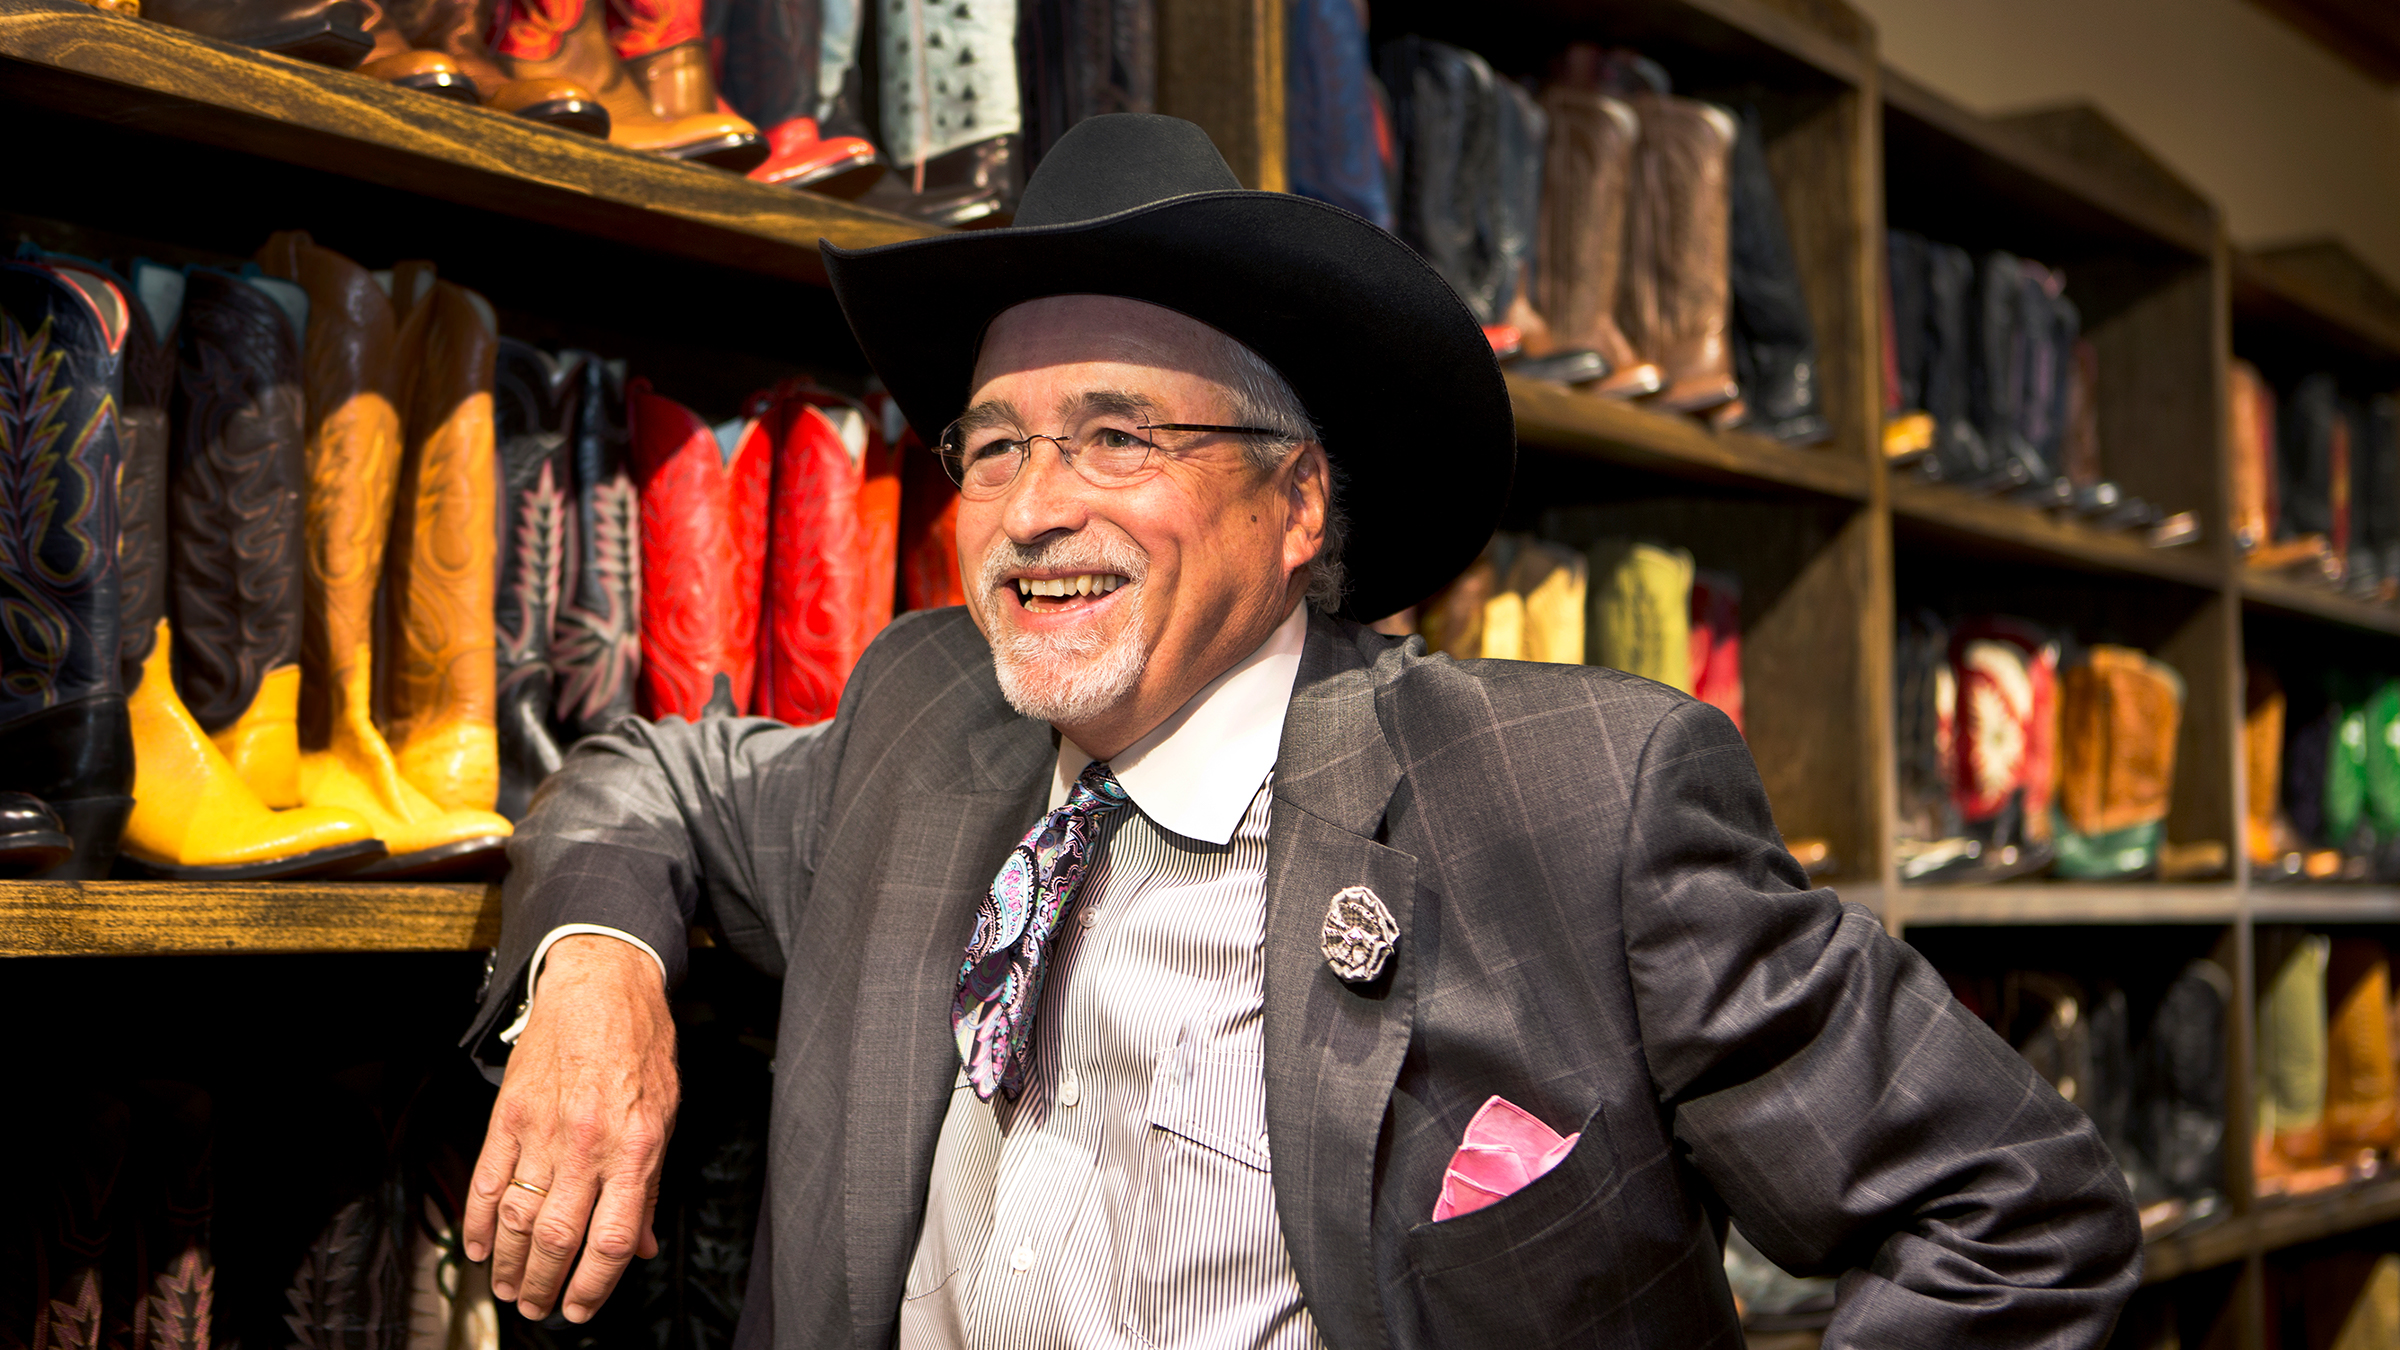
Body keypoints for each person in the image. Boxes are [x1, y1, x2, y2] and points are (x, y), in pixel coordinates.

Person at [457, 114, 2140, 1348]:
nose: (1033, 509)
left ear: (1296, 504)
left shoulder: (1572, 803)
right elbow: (649, 772)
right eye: (992, 446)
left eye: (1118, 435)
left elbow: (2014, 1220)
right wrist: (597, 971)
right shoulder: (924, 719)